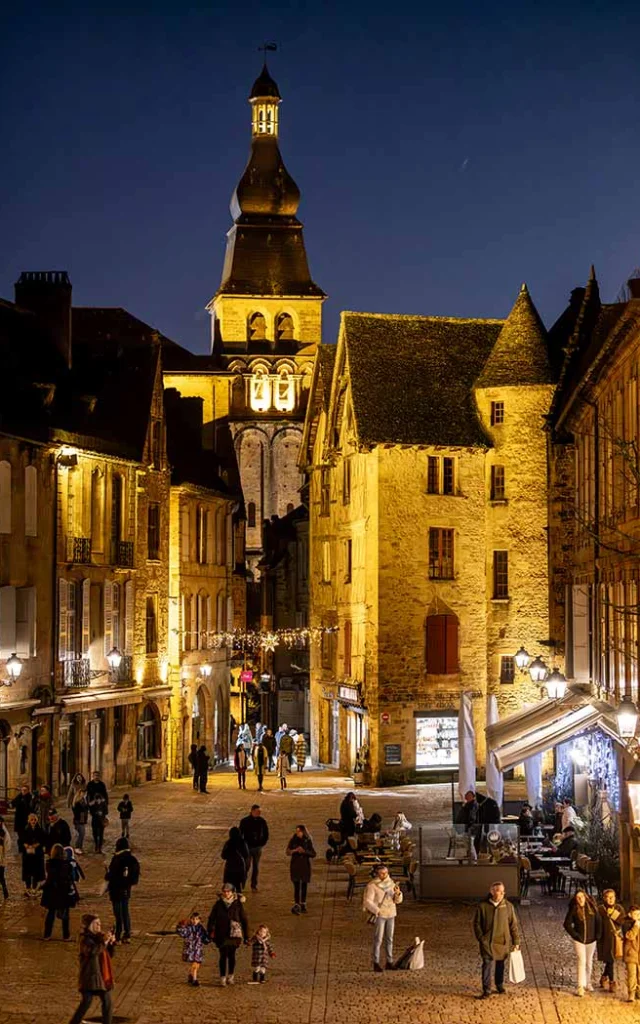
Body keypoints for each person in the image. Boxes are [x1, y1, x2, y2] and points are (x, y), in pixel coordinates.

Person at [473, 881, 520, 999]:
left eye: (502, 891)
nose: (501, 893)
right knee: (487, 964)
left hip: (502, 941)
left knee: (500, 964)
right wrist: (481, 938)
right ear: (492, 891)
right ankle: (486, 989)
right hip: (487, 942)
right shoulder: (483, 906)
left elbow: (513, 925)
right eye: (499, 891)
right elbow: (477, 923)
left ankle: (499, 985)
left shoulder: (508, 907)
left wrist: (516, 942)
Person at [68, 914, 116, 1024]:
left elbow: (109, 954)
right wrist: (104, 942)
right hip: (89, 976)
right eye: (96, 923)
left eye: (99, 923)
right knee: (86, 1002)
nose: (99, 925)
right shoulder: (85, 939)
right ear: (90, 925)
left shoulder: (99, 937)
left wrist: (111, 943)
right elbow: (93, 952)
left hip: (100, 976)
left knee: (107, 1001)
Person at [363, 864, 403, 972]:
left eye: (386, 873)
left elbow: (397, 901)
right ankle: (376, 962)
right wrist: (377, 910)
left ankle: (389, 961)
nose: (384, 875)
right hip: (380, 915)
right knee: (378, 939)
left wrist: (398, 893)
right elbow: (368, 901)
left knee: (389, 938)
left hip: (391, 913)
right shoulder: (372, 885)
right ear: (377, 874)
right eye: (382, 873)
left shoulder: (391, 883)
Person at [207, 882, 249, 986]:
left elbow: (244, 920)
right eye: (224, 892)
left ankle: (231, 975)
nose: (226, 894)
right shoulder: (218, 904)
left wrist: (246, 936)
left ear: (232, 892)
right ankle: (222, 977)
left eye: (228, 891)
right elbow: (212, 919)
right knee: (222, 955)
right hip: (221, 933)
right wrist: (210, 931)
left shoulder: (238, 904)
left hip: (234, 935)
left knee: (231, 955)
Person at [563, 889, 602, 996]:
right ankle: (580, 986)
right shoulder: (574, 909)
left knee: (589, 962)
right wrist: (575, 935)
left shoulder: (592, 908)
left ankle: (588, 982)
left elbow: (598, 921)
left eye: (582, 897)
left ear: (586, 897)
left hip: (591, 940)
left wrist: (597, 935)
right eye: (578, 898)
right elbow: (567, 924)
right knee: (581, 961)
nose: (580, 899)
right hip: (579, 941)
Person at [105, 836, 140, 944]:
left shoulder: (117, 859)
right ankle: (127, 933)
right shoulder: (132, 859)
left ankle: (118, 935)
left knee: (118, 913)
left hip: (116, 889)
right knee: (125, 911)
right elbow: (134, 878)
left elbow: (111, 875)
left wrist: (107, 873)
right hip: (126, 889)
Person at [41, 843, 76, 940]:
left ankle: (47, 935)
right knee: (65, 915)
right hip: (64, 891)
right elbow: (71, 878)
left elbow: (49, 877)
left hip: (52, 891)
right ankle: (66, 935)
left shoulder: (49, 863)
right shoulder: (67, 864)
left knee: (51, 913)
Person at [597, 888, 626, 993]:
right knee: (610, 960)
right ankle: (612, 982)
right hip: (604, 939)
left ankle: (604, 977)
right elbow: (597, 923)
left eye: (612, 897)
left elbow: (623, 921)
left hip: (615, 938)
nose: (610, 899)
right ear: (604, 898)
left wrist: (613, 914)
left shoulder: (619, 908)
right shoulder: (600, 909)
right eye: (608, 897)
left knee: (611, 960)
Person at [286, 824, 316, 914]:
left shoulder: (307, 840)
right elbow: (287, 851)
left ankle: (303, 903)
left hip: (304, 865)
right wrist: (294, 851)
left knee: (304, 885)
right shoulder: (293, 840)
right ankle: (296, 904)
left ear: (303, 832)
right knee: (296, 886)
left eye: (299, 831)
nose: (297, 833)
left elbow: (313, 854)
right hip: (295, 865)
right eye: (296, 831)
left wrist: (304, 852)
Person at [239, 805, 269, 892]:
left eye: (259, 812)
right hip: (247, 847)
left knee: (256, 867)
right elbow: (241, 834)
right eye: (257, 812)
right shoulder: (245, 821)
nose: (258, 813)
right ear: (252, 811)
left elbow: (266, 833)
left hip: (257, 847)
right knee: (246, 866)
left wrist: (262, 843)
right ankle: (242, 882)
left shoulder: (262, 821)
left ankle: (254, 885)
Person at [177, 910, 209, 986]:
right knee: (194, 964)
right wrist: (180, 926)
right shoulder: (188, 927)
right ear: (191, 919)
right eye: (193, 919)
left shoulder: (201, 928)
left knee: (197, 965)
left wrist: (209, 939)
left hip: (198, 949)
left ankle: (191, 975)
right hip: (191, 949)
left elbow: (205, 937)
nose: (195, 921)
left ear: (199, 920)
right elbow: (183, 933)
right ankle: (195, 980)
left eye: (197, 919)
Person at [20, 812, 46, 896]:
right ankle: (28, 888)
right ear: (29, 820)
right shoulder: (25, 829)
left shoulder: (40, 829)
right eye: (32, 820)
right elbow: (21, 840)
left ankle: (34, 887)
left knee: (36, 871)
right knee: (28, 871)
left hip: (37, 854)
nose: (33, 821)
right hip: (27, 854)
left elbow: (43, 840)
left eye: (34, 820)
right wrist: (25, 845)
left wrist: (37, 845)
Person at [221, 826, 250, 892]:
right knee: (238, 887)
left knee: (229, 888)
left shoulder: (228, 843)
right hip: (239, 868)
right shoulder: (242, 843)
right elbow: (246, 854)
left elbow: (223, 856)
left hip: (230, 868)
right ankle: (238, 900)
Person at [624, 905, 640, 1002]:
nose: (637, 916)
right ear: (630, 914)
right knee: (632, 974)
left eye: (639, 914)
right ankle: (631, 993)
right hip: (631, 952)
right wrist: (636, 927)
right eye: (635, 914)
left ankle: (638, 991)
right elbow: (630, 936)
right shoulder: (627, 924)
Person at [72, 790, 89, 854]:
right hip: (78, 821)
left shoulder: (83, 801)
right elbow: (78, 812)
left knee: (81, 834)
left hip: (82, 820)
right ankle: (77, 847)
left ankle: (80, 847)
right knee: (81, 834)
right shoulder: (77, 803)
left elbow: (86, 809)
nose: (84, 795)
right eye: (82, 794)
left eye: (84, 794)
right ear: (79, 794)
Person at [0, 816, 11, 899]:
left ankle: (5, 891)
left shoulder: (3, 832)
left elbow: (7, 844)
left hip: (1, 856)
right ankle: (5, 892)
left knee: (1, 876)